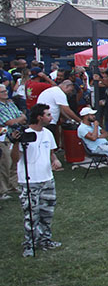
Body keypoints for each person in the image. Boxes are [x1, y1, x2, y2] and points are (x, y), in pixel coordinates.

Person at [10, 104, 60, 256]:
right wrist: (16, 143)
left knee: (47, 212)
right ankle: (29, 244)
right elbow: (15, 159)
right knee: (31, 214)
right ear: (40, 117)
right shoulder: (24, 134)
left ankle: (45, 240)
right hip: (30, 181)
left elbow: (51, 151)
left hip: (47, 179)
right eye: (48, 115)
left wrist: (55, 160)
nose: (51, 117)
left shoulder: (48, 134)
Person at [0, 85, 28, 199]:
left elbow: (24, 117)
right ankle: (3, 190)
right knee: (5, 163)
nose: (6, 93)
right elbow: (10, 122)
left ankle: (13, 185)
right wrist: (18, 120)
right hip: (4, 137)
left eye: (5, 90)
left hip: (16, 135)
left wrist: (18, 120)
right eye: (2, 92)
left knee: (15, 161)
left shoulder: (11, 103)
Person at [36, 80, 80, 144]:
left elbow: (61, 110)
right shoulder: (59, 93)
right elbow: (67, 110)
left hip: (44, 118)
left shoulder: (52, 91)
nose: (70, 92)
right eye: (71, 90)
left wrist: (69, 119)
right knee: (47, 141)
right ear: (66, 86)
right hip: (48, 121)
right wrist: (79, 121)